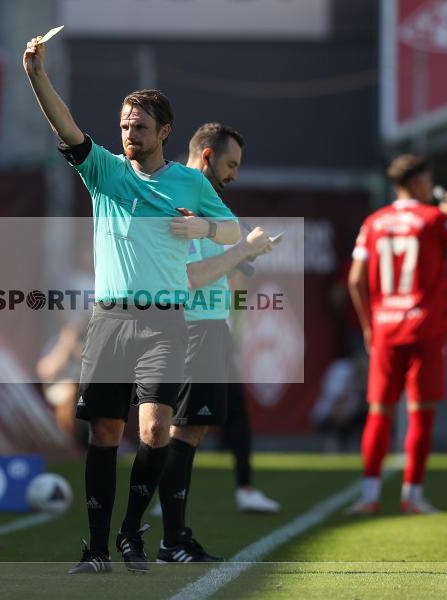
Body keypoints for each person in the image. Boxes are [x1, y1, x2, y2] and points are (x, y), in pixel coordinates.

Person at [23, 36, 239, 574]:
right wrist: (36, 75)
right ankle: (96, 547)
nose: (128, 133)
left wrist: (204, 226)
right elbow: (65, 126)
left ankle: (129, 530)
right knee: (103, 433)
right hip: (110, 320)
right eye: (124, 125)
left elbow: (232, 230)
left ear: (164, 132)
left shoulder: (189, 181)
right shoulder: (105, 171)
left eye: (139, 127)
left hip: (165, 323)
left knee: (155, 432)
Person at [154, 123, 279, 563]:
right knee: (181, 433)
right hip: (192, 327)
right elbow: (189, 279)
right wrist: (243, 250)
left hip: (206, 327)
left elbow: (223, 270)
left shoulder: (209, 206)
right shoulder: (182, 199)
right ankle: (171, 539)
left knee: (187, 431)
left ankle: (174, 535)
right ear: (206, 156)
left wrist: (246, 254)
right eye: (230, 164)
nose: (235, 176)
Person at [346, 154, 447, 515]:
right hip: (425, 328)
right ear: (420, 182)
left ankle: (369, 496)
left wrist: (368, 325)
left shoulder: (374, 222)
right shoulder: (435, 219)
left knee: (379, 412)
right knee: (421, 413)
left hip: (385, 328)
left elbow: (355, 279)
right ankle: (412, 495)